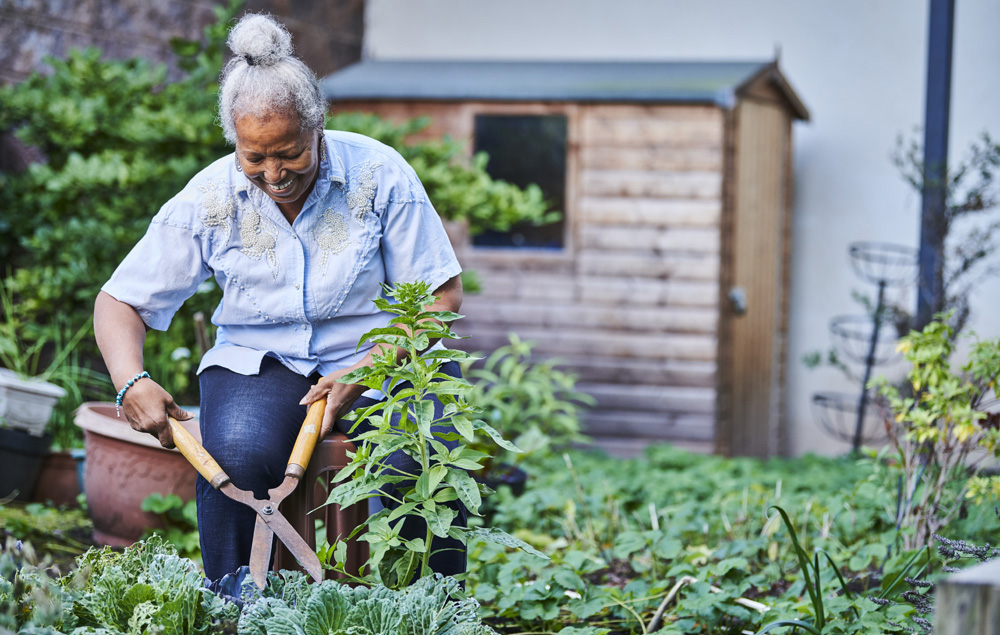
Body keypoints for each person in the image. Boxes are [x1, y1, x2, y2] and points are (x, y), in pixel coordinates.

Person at [94, 13, 465, 583]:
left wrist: (370, 367)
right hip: (257, 363)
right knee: (237, 456)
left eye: (289, 152)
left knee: (418, 457)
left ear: (318, 128)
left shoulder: (380, 175)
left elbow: (443, 295)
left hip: (376, 358)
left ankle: (431, 606)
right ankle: (242, 605)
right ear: (235, 144)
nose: (273, 173)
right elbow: (119, 302)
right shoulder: (211, 197)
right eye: (254, 157)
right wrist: (131, 381)